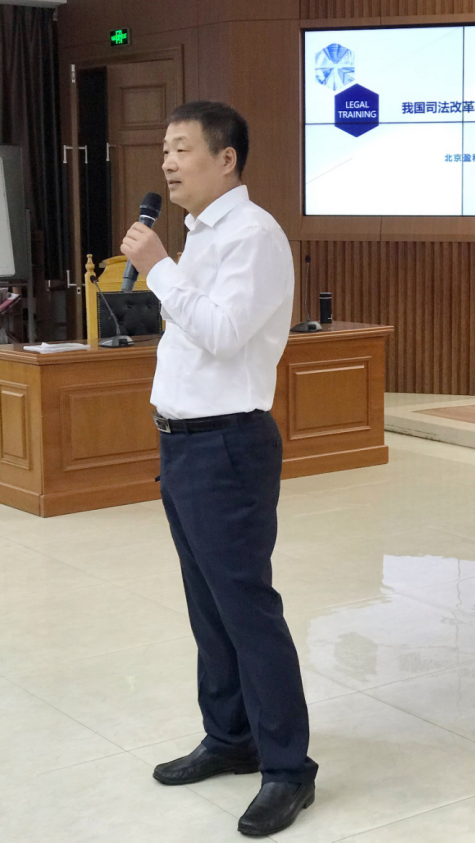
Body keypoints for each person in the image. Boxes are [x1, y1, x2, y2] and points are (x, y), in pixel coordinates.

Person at [120, 101, 318, 837]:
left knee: (246, 609)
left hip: (227, 445)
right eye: (165, 149)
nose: (167, 162)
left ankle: (288, 769)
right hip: (182, 443)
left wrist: (157, 268)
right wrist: (168, 269)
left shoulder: (253, 235)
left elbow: (225, 333)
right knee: (207, 607)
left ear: (226, 158)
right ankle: (231, 736)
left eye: (182, 148)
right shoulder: (201, 234)